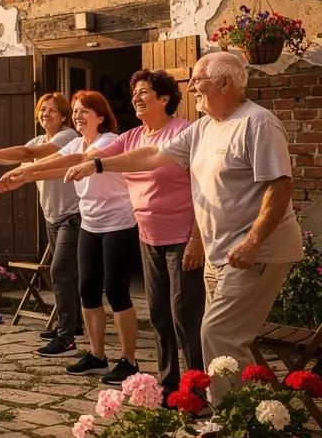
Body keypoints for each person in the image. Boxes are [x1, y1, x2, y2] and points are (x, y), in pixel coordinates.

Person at [65, 52, 302, 401]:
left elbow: (281, 186)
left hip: (254, 251)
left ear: (224, 83)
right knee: (221, 337)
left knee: (217, 334)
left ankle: (228, 427)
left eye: (197, 79)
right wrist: (98, 165)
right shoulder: (204, 127)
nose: (190, 87)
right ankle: (242, 413)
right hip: (219, 253)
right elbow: (151, 155)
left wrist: (252, 241)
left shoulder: (257, 123)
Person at [62, 70, 205, 397]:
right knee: (158, 315)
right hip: (148, 237)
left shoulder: (184, 133)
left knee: (184, 314)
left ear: (164, 98)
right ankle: (170, 385)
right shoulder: (132, 136)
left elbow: (202, 190)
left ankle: (196, 389)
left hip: (183, 237)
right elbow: (84, 158)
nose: (136, 98)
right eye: (134, 93)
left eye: (143, 92)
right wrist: (26, 172)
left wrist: (198, 238)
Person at [0, 91, 140, 385]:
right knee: (87, 289)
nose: (78, 116)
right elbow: (59, 163)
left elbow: (77, 161)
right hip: (91, 224)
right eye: (76, 111)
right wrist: (20, 176)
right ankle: (97, 356)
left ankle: (129, 360)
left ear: (100, 115)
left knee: (116, 291)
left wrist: (26, 172)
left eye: (85, 111)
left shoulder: (108, 141)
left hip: (118, 223)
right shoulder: (76, 140)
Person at [0, 92, 83, 356]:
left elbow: (28, 153)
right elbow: (17, 158)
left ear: (63, 116)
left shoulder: (68, 137)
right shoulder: (39, 139)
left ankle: (66, 335)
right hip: (53, 216)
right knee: (67, 273)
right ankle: (73, 324)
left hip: (74, 214)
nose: (46, 114)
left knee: (60, 272)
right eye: (42, 109)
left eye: (52, 110)